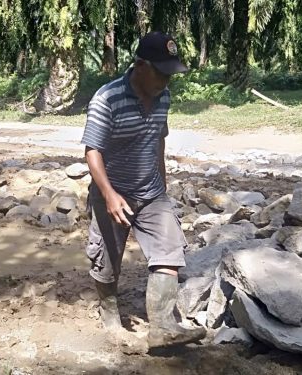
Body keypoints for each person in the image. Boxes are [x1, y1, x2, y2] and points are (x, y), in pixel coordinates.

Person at [81, 31, 205, 349]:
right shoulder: (106, 99)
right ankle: (109, 315)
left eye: (170, 74)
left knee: (169, 251)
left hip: (150, 191)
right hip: (112, 190)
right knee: (106, 262)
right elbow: (92, 152)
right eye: (161, 72)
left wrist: (162, 185)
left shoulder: (164, 97)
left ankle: (162, 326)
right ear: (140, 65)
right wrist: (108, 195)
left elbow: (158, 139)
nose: (166, 81)